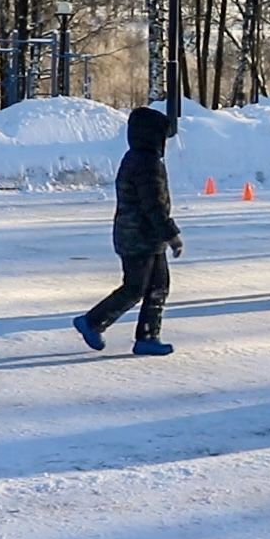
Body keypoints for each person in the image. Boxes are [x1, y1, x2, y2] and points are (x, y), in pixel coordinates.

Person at [74, 107, 183, 356]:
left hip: (144, 236)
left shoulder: (136, 158)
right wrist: (171, 234)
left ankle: (148, 336)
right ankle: (92, 321)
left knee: (158, 286)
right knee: (136, 287)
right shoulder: (147, 163)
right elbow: (153, 204)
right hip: (139, 236)